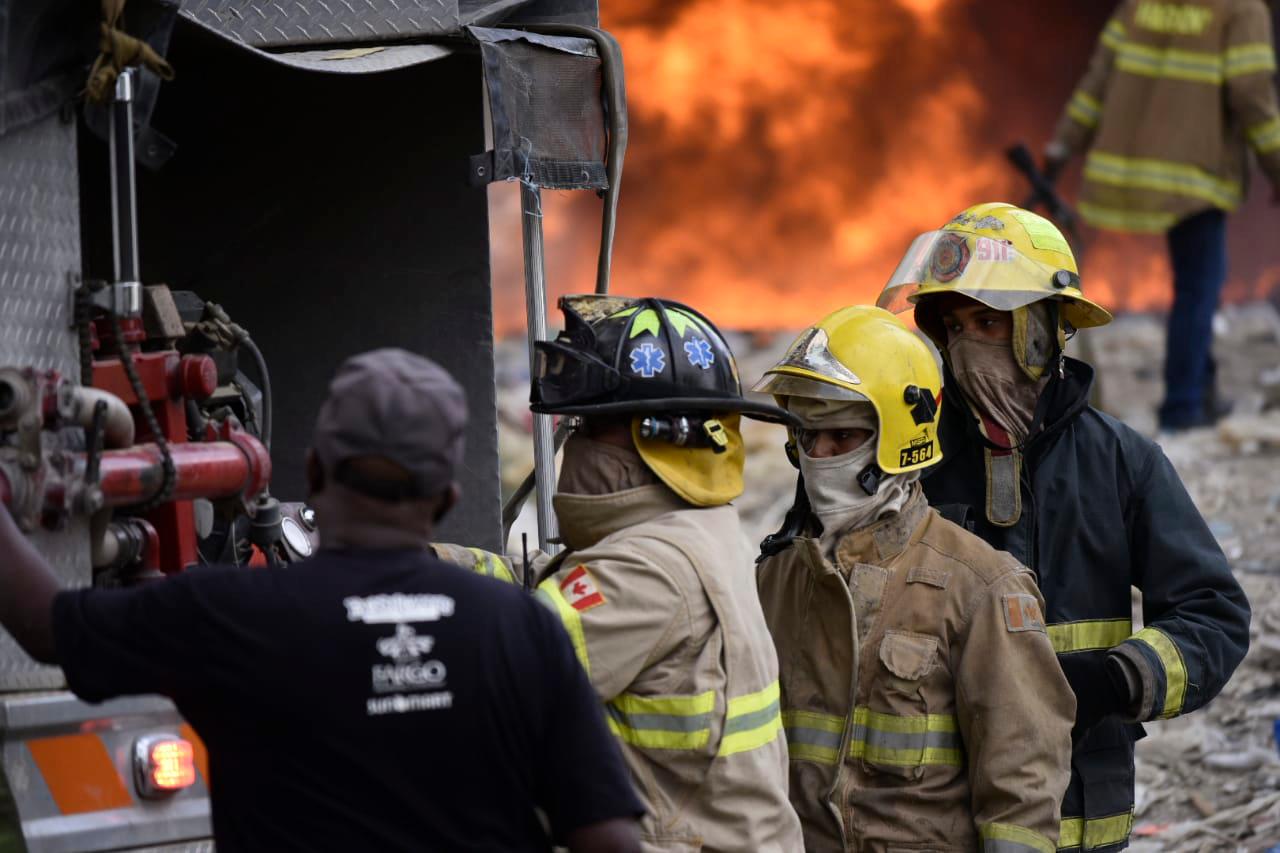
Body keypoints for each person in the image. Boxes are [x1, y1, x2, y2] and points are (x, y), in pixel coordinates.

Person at [0, 348, 643, 853]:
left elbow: (48, 629)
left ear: (312, 472)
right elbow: (610, 841)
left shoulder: (229, 614)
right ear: (446, 499)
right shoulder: (524, 630)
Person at [878, 203, 1251, 853]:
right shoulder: (912, 459)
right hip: (932, 809)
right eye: (955, 325)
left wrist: (1117, 678)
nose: (968, 343)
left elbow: (1214, 615)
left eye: (989, 321)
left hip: (1080, 812)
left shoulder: (1119, 461)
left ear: (1041, 330)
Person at [434, 295, 805, 852]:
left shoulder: (650, 568)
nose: (574, 441)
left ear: (658, 436)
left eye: (590, 423)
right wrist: (422, 565)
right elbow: (545, 584)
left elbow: (503, 667)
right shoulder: (694, 528)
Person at [751, 305, 1075, 853]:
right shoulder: (776, 579)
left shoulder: (982, 587)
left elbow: (1021, 794)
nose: (818, 456)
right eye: (806, 436)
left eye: (842, 435)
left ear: (900, 438)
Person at [1044, 0, 1280, 431]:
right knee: (1198, 287)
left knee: (1195, 285)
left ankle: (1201, 394)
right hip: (1197, 175)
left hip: (1140, 171)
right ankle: (1183, 407)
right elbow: (1252, 95)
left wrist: (1061, 147)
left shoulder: (1142, 6)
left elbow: (1097, 81)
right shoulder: (1241, 10)